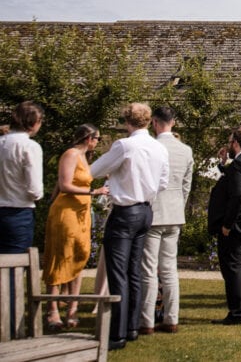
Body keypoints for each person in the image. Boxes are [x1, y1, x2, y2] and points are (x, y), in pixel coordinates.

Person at [90, 103, 170, 350]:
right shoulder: (158, 147)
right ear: (149, 121)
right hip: (146, 210)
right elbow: (163, 182)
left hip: (125, 211)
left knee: (118, 272)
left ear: (127, 121)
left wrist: (118, 180)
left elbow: (95, 169)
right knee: (134, 270)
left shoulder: (124, 145)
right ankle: (133, 326)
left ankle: (117, 332)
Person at [41, 124, 108, 330]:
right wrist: (93, 193)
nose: (97, 142)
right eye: (97, 138)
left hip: (81, 214)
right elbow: (64, 185)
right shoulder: (70, 154)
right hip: (66, 213)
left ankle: (73, 307)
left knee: (80, 255)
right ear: (89, 138)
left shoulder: (84, 158)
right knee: (60, 257)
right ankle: (52, 309)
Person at [139, 107, 193, 335]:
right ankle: (172, 318)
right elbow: (186, 185)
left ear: (154, 122)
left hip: (154, 212)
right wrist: (179, 207)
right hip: (174, 213)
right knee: (170, 268)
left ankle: (147, 321)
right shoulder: (185, 150)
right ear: (174, 122)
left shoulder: (151, 147)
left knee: (149, 269)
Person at [207, 126, 241, 326]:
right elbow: (235, 183)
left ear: (235, 143)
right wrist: (223, 165)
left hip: (236, 225)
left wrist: (227, 224)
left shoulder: (240, 164)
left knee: (232, 268)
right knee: (240, 266)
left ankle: (236, 312)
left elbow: (238, 194)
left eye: (230, 142)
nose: (228, 146)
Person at [0, 101, 44, 254]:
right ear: (35, 122)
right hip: (18, 211)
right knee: (14, 268)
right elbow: (34, 189)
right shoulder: (29, 146)